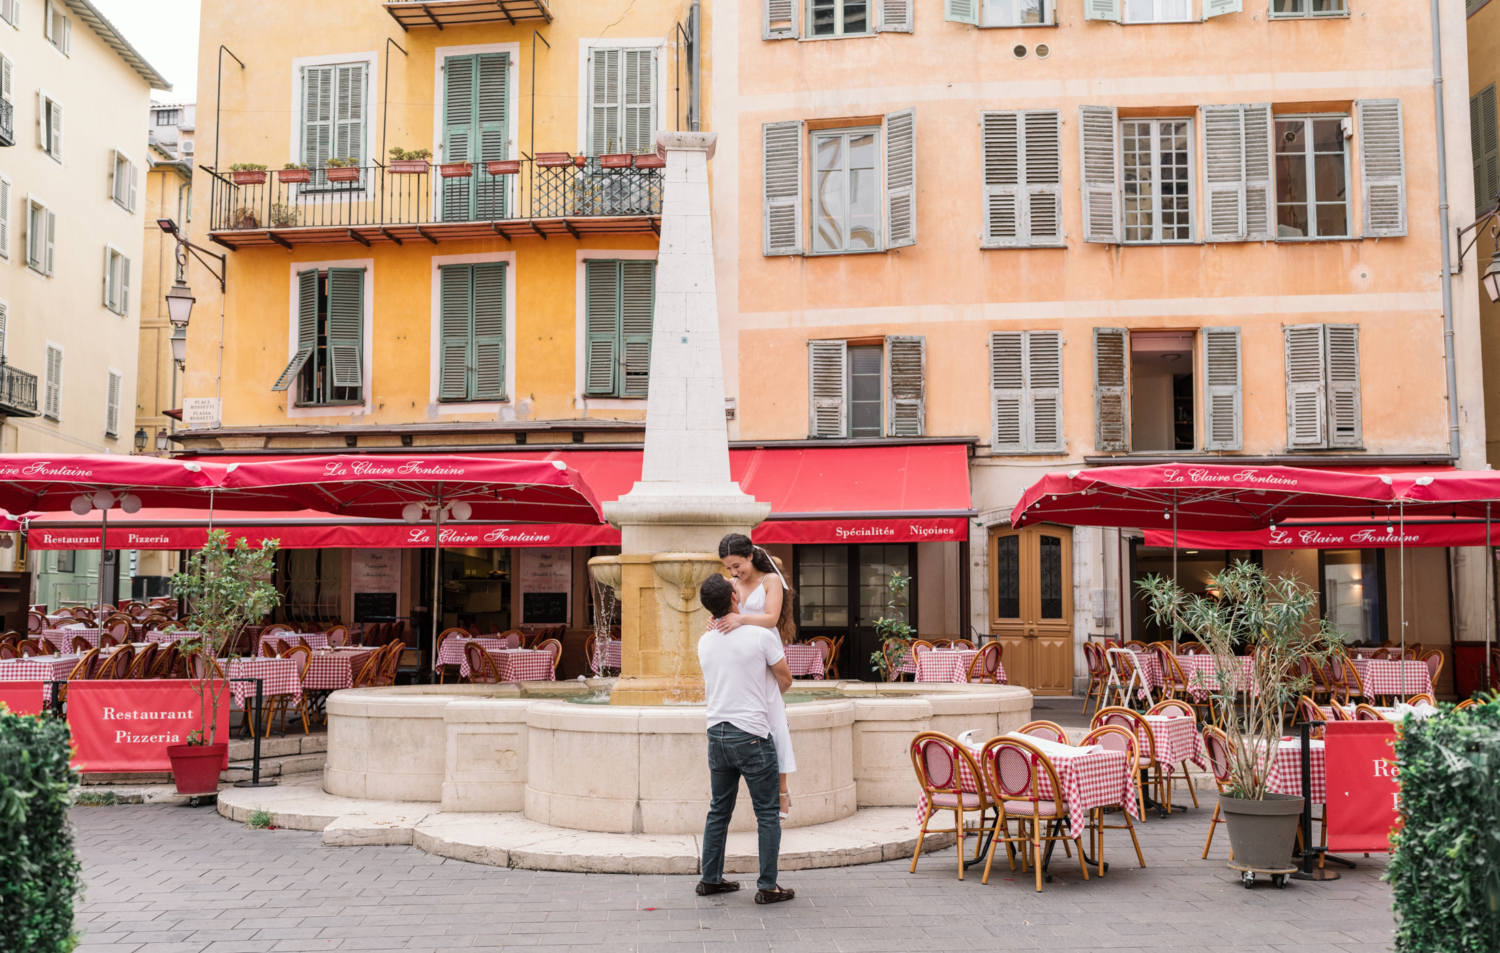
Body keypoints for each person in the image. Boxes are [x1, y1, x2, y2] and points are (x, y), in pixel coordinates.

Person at [695, 572, 795, 904]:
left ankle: (710, 879)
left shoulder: (704, 640)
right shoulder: (760, 635)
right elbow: (786, 680)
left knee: (718, 810)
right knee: (767, 813)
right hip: (751, 735)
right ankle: (768, 886)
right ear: (734, 598)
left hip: (716, 734)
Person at [712, 534, 798, 819]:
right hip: (743, 656)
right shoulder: (732, 585)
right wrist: (717, 618)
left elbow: (772, 618)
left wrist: (742, 618)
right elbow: (725, 613)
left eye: (737, 565)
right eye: (728, 568)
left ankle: (782, 790)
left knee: (775, 718)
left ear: (750, 556)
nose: (734, 573)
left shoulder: (770, 581)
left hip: (766, 648)